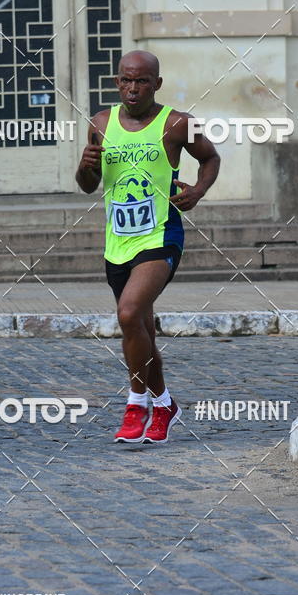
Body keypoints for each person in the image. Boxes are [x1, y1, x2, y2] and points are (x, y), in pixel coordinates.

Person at [75, 50, 220, 444]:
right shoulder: (101, 124)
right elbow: (88, 186)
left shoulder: (177, 124)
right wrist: (85, 166)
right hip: (118, 241)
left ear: (156, 83)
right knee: (143, 331)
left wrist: (198, 190)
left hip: (160, 235)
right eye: (126, 80)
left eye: (141, 81)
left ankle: (137, 403)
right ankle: (166, 403)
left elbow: (210, 157)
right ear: (117, 82)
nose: (133, 88)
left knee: (129, 313)